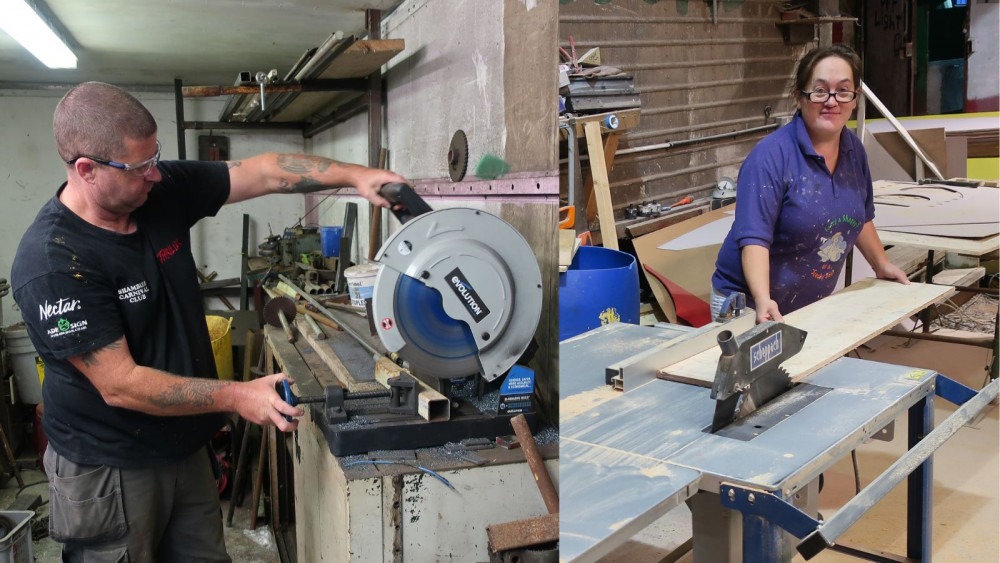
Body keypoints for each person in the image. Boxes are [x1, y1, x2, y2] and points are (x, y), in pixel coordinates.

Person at [10, 81, 406, 561]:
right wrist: (236, 396)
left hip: (184, 444)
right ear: (87, 170)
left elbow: (262, 172)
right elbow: (120, 384)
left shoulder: (155, 190)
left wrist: (357, 176)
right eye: (139, 167)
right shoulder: (54, 261)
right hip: (110, 467)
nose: (155, 175)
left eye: (155, 158)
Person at [710, 45, 909, 324]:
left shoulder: (854, 150)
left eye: (843, 91)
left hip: (809, 303)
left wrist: (882, 264)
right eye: (819, 91)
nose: (831, 101)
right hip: (750, 304)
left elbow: (861, 216)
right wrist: (762, 298)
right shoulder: (770, 157)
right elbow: (754, 237)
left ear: (855, 99)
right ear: (799, 98)